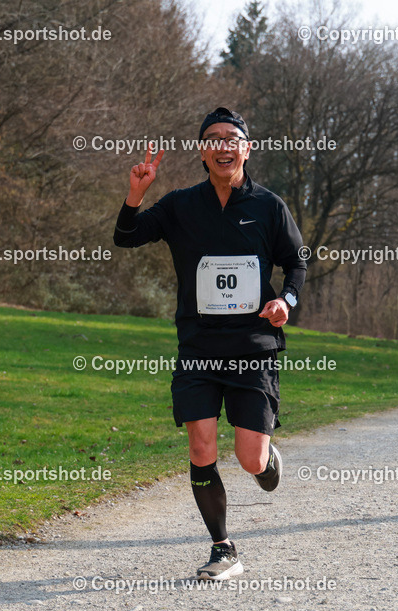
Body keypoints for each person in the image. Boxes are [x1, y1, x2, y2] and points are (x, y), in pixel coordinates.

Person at [114, 107, 306, 580]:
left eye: (232, 138)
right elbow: (126, 237)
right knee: (201, 448)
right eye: (214, 138)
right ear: (203, 151)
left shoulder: (269, 206)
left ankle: (265, 459)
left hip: (253, 347)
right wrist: (136, 194)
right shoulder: (181, 205)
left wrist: (285, 300)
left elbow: (296, 262)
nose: (223, 145)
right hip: (198, 347)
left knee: (249, 459)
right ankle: (223, 548)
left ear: (247, 149)